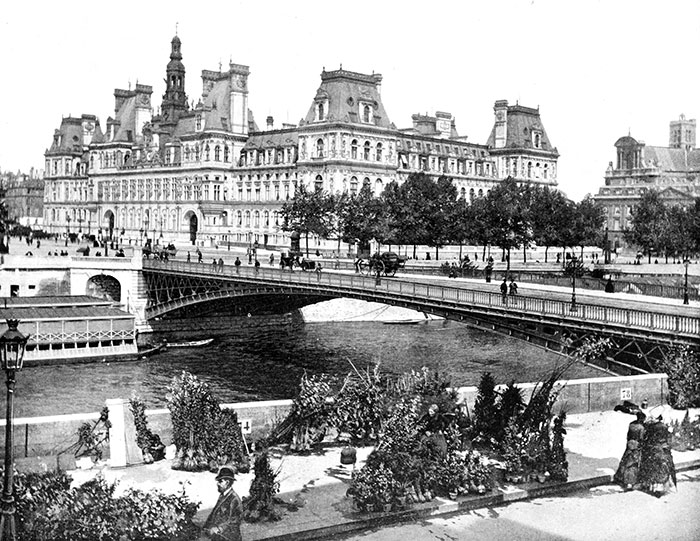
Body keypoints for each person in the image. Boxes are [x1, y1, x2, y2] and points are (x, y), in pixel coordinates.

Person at [201, 466, 242, 541]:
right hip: (218, 536)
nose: (217, 484)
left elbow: (235, 520)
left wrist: (219, 528)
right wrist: (205, 527)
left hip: (229, 538)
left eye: (220, 481)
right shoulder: (222, 496)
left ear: (227, 482)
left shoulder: (234, 499)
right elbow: (214, 513)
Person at [639, 416, 677, 496]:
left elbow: (647, 440)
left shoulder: (651, 428)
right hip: (664, 451)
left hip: (655, 451)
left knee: (654, 468)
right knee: (665, 468)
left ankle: (654, 487)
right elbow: (670, 441)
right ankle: (666, 486)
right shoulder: (664, 428)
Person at [614, 411, 646, 491]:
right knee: (633, 464)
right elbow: (641, 438)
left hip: (629, 443)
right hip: (636, 445)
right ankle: (631, 481)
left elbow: (628, 435)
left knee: (625, 460)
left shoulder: (631, 424)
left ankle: (620, 477)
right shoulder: (641, 427)